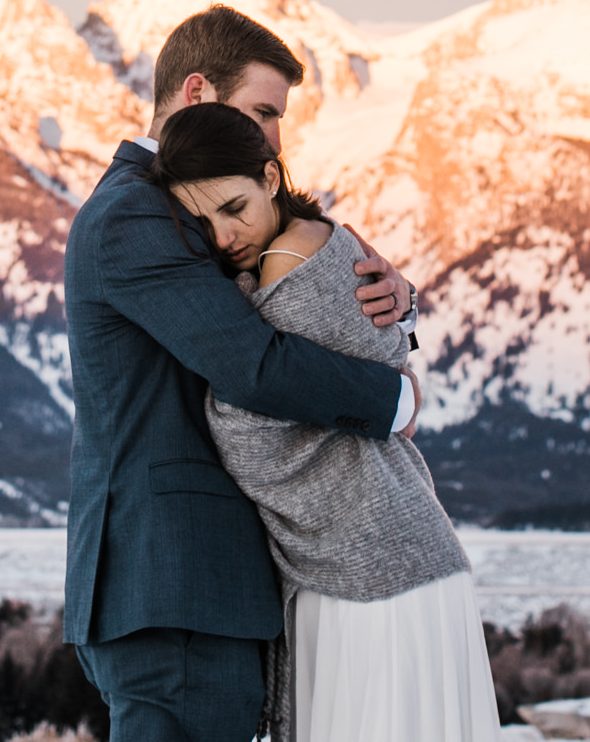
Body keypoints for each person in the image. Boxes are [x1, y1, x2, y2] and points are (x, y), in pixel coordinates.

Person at [65, 5, 422, 742]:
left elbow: (285, 295)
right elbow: (252, 362)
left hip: (188, 587)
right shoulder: (134, 215)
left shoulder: (183, 209)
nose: (275, 138)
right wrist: (395, 398)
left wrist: (396, 299)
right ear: (196, 93)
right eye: (263, 109)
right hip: (176, 581)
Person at [157, 100, 500, 742]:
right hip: (383, 559)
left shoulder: (286, 265)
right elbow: (372, 361)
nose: (225, 237)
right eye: (202, 224)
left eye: (234, 208)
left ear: (270, 177)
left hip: (372, 570)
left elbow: (247, 424)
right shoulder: (315, 243)